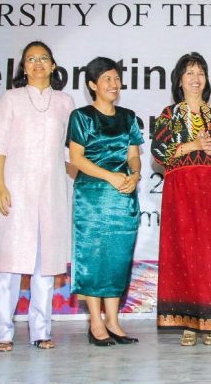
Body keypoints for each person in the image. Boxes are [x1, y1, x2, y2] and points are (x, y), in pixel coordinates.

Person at [0, 40, 75, 352]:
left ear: (53, 65)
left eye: (43, 58)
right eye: (30, 59)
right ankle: (3, 332)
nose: (37, 63)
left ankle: (40, 330)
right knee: (8, 265)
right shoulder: (10, 99)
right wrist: (0, 185)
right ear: (23, 68)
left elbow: (71, 152)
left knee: (45, 264)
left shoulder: (65, 102)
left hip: (51, 192)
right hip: (15, 190)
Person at [151, 52, 211, 346]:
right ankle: (188, 322)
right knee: (184, 252)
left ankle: (210, 321)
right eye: (189, 73)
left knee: (210, 255)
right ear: (179, 80)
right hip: (181, 192)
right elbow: (159, 151)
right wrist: (192, 144)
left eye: (200, 72)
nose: (195, 78)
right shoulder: (169, 115)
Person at [67, 57, 144, 346]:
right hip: (92, 198)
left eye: (116, 78)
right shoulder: (81, 116)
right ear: (92, 85)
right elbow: (76, 159)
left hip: (124, 198)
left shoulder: (128, 116)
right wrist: (110, 177)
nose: (114, 84)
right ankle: (95, 322)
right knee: (94, 259)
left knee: (117, 259)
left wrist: (134, 174)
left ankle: (113, 321)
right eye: (107, 79)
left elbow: (133, 153)